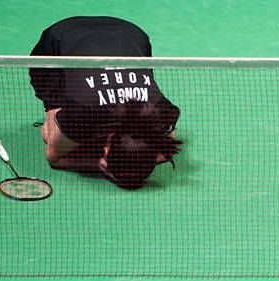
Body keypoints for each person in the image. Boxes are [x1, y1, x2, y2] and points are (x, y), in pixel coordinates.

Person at [29, 16, 182, 190]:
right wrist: (101, 165)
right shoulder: (82, 115)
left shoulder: (163, 112)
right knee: (48, 136)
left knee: (65, 139)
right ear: (106, 149)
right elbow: (53, 157)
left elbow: (170, 148)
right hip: (59, 40)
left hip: (131, 33)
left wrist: (115, 165)